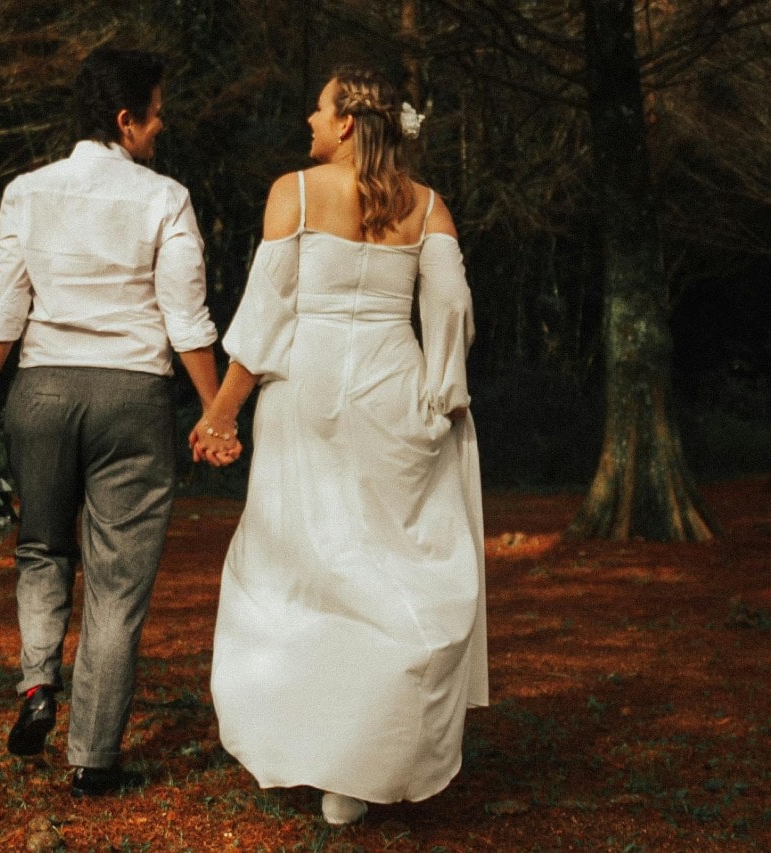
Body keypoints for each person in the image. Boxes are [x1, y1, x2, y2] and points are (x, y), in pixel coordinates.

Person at [191, 67, 488, 825]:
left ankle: (310, 742)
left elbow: (265, 317)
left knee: (301, 564)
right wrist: (442, 387)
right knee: (385, 567)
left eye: (320, 108)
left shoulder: (294, 190)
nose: (309, 117)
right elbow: (450, 303)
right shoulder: (426, 206)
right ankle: (354, 766)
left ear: (349, 123)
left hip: (306, 394)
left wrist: (221, 414)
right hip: (392, 395)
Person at [0, 47, 229, 798]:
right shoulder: (165, 199)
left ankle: (39, 683)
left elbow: (4, 308)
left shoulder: (26, 192)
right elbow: (186, 319)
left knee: (42, 547)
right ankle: (94, 758)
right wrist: (215, 409)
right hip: (133, 399)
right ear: (125, 119)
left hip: (40, 393)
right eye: (157, 110)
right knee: (115, 584)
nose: (162, 124)